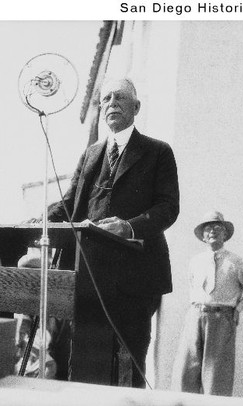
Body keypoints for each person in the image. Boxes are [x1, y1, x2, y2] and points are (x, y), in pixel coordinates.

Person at [46, 77, 180, 388]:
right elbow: (69, 204)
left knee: (129, 363)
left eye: (120, 97)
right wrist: (38, 222)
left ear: (136, 107)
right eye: (106, 98)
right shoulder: (91, 153)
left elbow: (168, 207)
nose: (112, 103)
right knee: (85, 363)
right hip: (89, 278)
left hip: (136, 277)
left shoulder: (158, 152)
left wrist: (129, 226)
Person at [171, 210, 243, 396]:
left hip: (222, 320)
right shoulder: (195, 261)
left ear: (225, 234)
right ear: (203, 236)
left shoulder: (236, 262)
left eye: (218, 227)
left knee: (216, 375)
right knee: (186, 371)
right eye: (208, 228)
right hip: (195, 317)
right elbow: (193, 288)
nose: (213, 231)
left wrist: (240, 307)